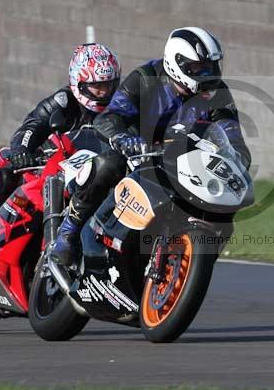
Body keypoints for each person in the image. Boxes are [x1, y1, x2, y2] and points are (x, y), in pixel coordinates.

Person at [51, 27, 252, 266]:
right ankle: (68, 232)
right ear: (178, 64)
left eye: (211, 67)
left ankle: (192, 265)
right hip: (137, 154)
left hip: (183, 163)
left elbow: (233, 136)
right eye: (199, 68)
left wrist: (237, 159)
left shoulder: (218, 93)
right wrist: (125, 139)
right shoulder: (146, 77)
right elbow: (109, 117)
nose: (208, 74)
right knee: (108, 164)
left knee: (225, 210)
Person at [0, 43, 121, 255]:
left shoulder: (121, 108)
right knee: (0, 174)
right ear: (80, 83)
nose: (104, 92)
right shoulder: (63, 102)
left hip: (89, 174)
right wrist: (22, 150)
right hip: (47, 166)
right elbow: (31, 126)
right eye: (98, 87)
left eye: (109, 86)